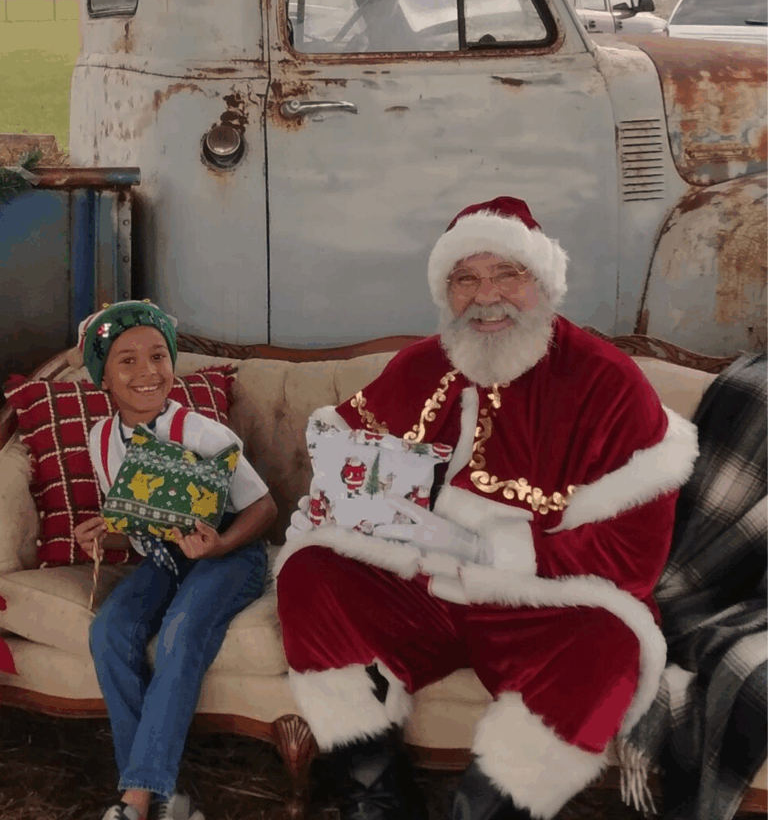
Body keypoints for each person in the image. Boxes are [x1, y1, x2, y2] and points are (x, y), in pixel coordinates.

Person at [275, 196, 700, 820]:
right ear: (445, 292)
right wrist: (333, 509)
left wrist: (490, 551)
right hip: (423, 592)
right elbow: (343, 462)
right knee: (311, 572)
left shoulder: (608, 382)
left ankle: (487, 808)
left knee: (612, 646)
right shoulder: (423, 365)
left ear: (544, 282)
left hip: (541, 606)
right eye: (466, 279)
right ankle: (375, 796)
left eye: (508, 274)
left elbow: (634, 556)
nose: (486, 296)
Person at [72, 301, 277, 820]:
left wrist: (222, 546)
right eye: (127, 361)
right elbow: (137, 524)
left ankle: (135, 802)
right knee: (108, 633)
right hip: (164, 560)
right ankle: (165, 796)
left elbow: (265, 508)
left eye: (158, 356)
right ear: (104, 378)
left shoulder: (206, 435)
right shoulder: (100, 439)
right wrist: (102, 537)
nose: (147, 373)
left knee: (180, 632)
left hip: (232, 557)